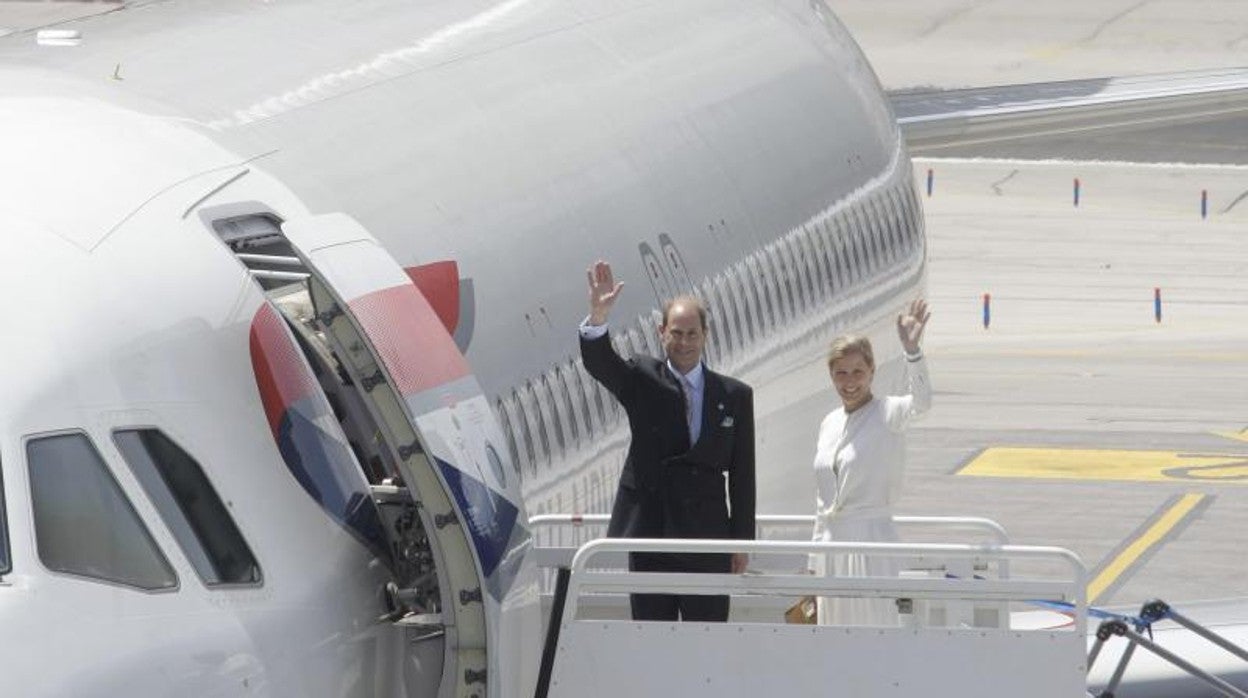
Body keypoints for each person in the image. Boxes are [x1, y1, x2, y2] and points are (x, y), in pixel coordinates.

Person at [580, 260, 755, 622]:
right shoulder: (643, 379)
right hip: (652, 536)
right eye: (676, 333)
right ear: (662, 333)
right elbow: (603, 365)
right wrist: (598, 319)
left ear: (706, 335)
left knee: (706, 644)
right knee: (651, 644)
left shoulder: (734, 395)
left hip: (706, 539)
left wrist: (741, 542)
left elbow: (742, 477)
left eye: (692, 333)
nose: (684, 342)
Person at [811, 298, 931, 625]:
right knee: (832, 635)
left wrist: (912, 351)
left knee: (874, 630)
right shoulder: (829, 422)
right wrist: (812, 562)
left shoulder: (887, 414)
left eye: (858, 372)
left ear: (872, 371)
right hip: (831, 548)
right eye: (841, 373)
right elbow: (823, 503)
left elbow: (922, 402)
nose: (850, 382)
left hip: (872, 542)